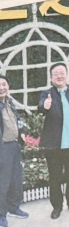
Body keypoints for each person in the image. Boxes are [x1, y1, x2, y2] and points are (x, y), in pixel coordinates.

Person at [0, 75, 30, 226]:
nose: (1, 87)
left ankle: (14, 208)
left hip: (14, 146)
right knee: (2, 184)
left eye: (4, 84)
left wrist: (22, 133)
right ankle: (0, 214)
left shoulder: (9, 102)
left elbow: (17, 121)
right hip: (0, 148)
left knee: (16, 180)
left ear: (8, 87)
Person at [39, 62, 69, 218]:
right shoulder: (47, 93)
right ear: (51, 78)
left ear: (67, 75)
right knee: (55, 177)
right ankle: (56, 206)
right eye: (56, 74)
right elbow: (40, 107)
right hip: (54, 146)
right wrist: (45, 105)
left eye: (62, 73)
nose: (59, 76)